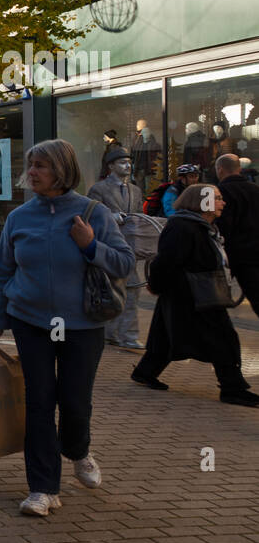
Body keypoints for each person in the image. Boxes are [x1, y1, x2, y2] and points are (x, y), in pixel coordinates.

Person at [0, 139, 134, 517]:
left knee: (74, 401)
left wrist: (90, 246)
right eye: (31, 165)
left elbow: (124, 263)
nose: (31, 172)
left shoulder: (92, 212)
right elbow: (4, 273)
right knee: (38, 403)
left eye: (41, 166)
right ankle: (43, 488)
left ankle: (79, 450)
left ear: (63, 171)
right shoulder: (19, 217)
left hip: (81, 325)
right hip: (30, 322)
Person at [132, 184, 258, 407]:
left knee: (164, 334)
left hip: (196, 292)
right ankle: (233, 388)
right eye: (218, 198)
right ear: (203, 202)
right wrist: (156, 284)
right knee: (224, 338)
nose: (223, 202)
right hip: (192, 294)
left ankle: (145, 371)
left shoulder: (205, 227)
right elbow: (166, 261)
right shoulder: (183, 227)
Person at [86, 147, 145, 349]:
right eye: (122, 162)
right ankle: (110, 333)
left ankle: (129, 335)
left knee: (132, 293)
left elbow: (138, 216)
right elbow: (91, 215)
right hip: (109, 248)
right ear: (111, 166)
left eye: (129, 162)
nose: (127, 165)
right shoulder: (98, 189)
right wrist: (110, 217)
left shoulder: (135, 190)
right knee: (110, 292)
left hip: (130, 248)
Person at [215, 153, 259, 320]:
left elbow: (216, 223)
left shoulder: (218, 192)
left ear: (220, 170)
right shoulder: (255, 189)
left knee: (213, 297)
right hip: (255, 252)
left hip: (232, 253)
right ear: (239, 169)